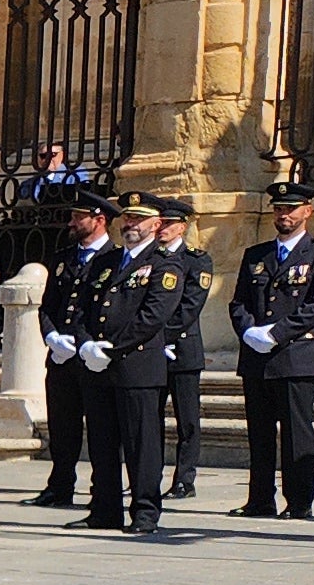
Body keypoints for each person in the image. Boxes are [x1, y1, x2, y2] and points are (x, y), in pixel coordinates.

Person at [74, 195, 184, 536]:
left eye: (139, 219)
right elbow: (81, 309)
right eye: (128, 218)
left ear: (156, 224)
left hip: (136, 366)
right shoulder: (105, 262)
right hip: (99, 367)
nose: (131, 224)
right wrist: (85, 343)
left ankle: (145, 511)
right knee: (103, 443)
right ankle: (104, 509)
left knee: (142, 445)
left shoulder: (165, 264)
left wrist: (112, 348)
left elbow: (152, 317)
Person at [230, 183, 314, 521]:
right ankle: (260, 499)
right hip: (257, 357)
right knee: (259, 434)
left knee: (296, 433)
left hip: (296, 356)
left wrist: (276, 334)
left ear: (308, 211)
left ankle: (299, 500)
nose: (284, 215)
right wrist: (248, 330)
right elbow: (238, 302)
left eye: (291, 209)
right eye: (278, 209)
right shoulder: (256, 255)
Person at [27, 193, 116, 509]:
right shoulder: (63, 257)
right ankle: (59, 485)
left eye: (79, 217)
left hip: (91, 356)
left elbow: (106, 311)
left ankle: (101, 489)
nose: (72, 222)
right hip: (61, 356)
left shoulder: (113, 258)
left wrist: (81, 343)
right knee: (62, 426)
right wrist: (50, 335)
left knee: (100, 427)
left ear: (99, 219)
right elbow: (48, 304)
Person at [157, 198, 213, 502]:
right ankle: (147, 474)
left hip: (182, 348)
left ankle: (184, 479)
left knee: (187, 420)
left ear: (182, 227)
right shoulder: (149, 258)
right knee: (149, 418)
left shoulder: (196, 260)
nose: (162, 229)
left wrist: (161, 335)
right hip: (149, 349)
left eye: (168, 224)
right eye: (159, 223)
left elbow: (190, 306)